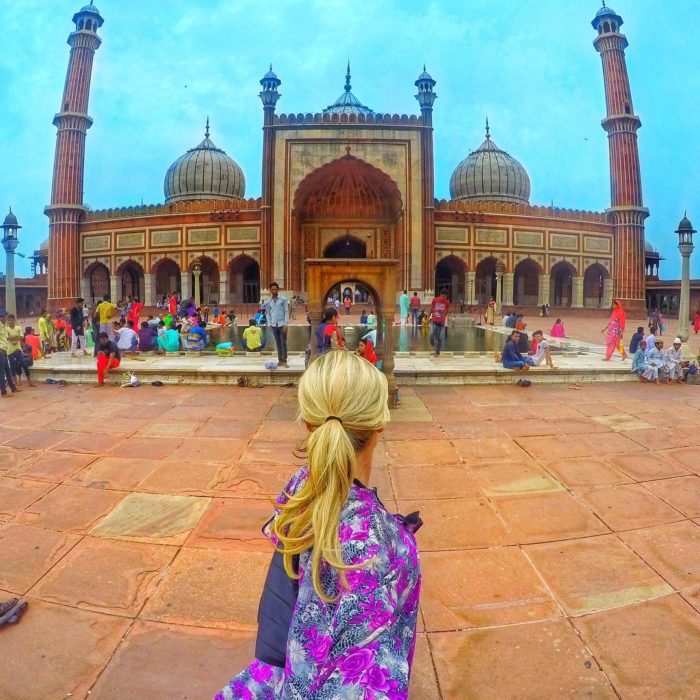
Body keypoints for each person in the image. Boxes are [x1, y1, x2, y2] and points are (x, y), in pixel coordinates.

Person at [216, 351, 421, 699]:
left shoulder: (302, 485)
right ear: (380, 424)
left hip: (285, 673)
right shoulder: (376, 548)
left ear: (308, 423)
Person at [265, 282, 289, 368]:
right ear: (270, 291)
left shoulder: (283, 299)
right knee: (278, 343)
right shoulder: (268, 302)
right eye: (272, 289)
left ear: (278, 290)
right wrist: (269, 323)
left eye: (275, 289)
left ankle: (284, 360)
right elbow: (268, 313)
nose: (274, 291)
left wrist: (286, 324)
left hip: (282, 324)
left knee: (284, 343)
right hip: (274, 325)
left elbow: (286, 311)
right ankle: (280, 360)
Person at [6, 315, 34, 387]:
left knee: (24, 364)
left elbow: (21, 337)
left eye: (12, 320)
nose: (10, 322)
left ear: (14, 320)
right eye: (9, 320)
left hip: (18, 349)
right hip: (10, 350)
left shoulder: (18, 328)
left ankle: (29, 381)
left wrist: (12, 338)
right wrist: (16, 337)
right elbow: (7, 338)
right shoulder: (7, 329)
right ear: (8, 321)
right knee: (12, 367)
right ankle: (16, 384)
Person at [0, 313, 19, 397]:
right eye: (2, 317)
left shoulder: (4, 326)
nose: (4, 318)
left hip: (5, 350)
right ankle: (3, 391)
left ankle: (13, 388)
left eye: (5, 316)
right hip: (1, 351)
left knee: (7, 370)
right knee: (2, 372)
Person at [429, 288, 450, 358]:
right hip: (434, 321)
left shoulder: (447, 302)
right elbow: (431, 309)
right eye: (443, 296)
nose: (444, 298)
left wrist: (444, 316)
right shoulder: (435, 300)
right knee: (431, 334)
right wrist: (428, 317)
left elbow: (447, 310)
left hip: (441, 323)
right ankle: (432, 342)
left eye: (446, 296)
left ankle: (437, 352)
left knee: (440, 338)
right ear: (440, 295)